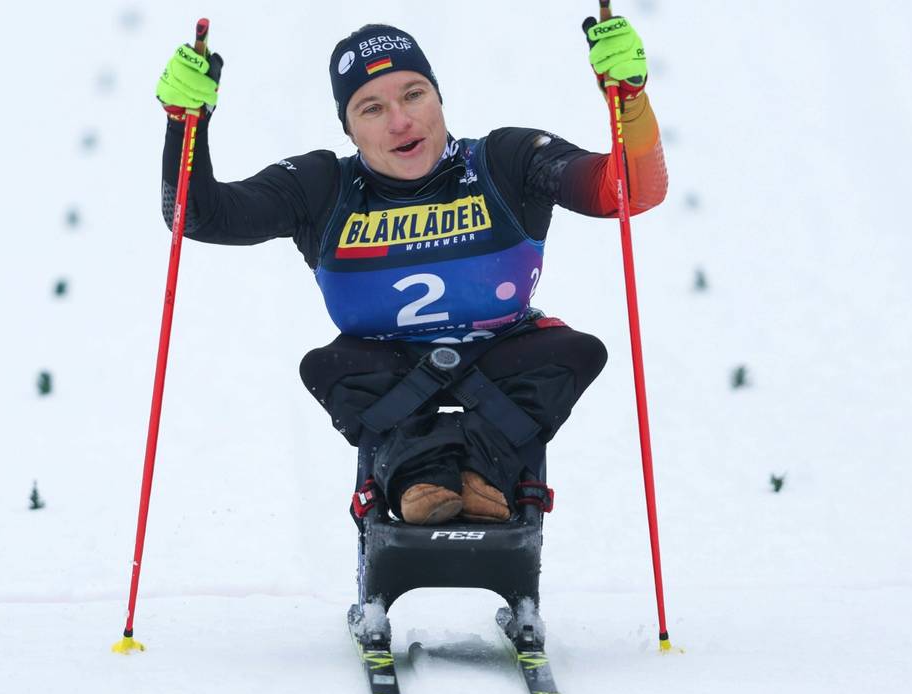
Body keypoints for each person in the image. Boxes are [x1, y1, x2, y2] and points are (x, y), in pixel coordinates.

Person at [155, 17, 667, 525]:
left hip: (506, 355)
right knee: (330, 368)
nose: (400, 121)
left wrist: (630, 100)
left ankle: (472, 471)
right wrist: (185, 123)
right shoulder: (320, 186)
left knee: (572, 352)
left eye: (414, 94)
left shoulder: (505, 161)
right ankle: (430, 474)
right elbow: (196, 215)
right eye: (372, 108)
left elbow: (628, 190)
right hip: (386, 369)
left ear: (439, 98)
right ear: (349, 128)